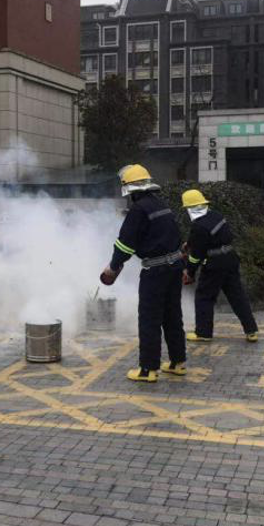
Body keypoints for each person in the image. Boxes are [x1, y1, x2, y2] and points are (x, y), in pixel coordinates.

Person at [99, 164, 187, 382]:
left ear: (131, 190)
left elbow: (124, 245)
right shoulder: (161, 205)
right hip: (174, 267)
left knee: (149, 319)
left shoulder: (138, 210)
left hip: (155, 272)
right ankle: (177, 363)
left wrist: (113, 267)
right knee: (172, 316)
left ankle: (148, 369)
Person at [181, 189, 260, 343]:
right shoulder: (216, 215)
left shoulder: (198, 226)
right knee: (237, 297)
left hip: (214, 265)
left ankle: (203, 333)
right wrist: (189, 243)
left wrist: (189, 272)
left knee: (204, 297)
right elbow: (212, 235)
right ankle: (251, 331)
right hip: (230, 259)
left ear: (190, 208)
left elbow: (196, 256)